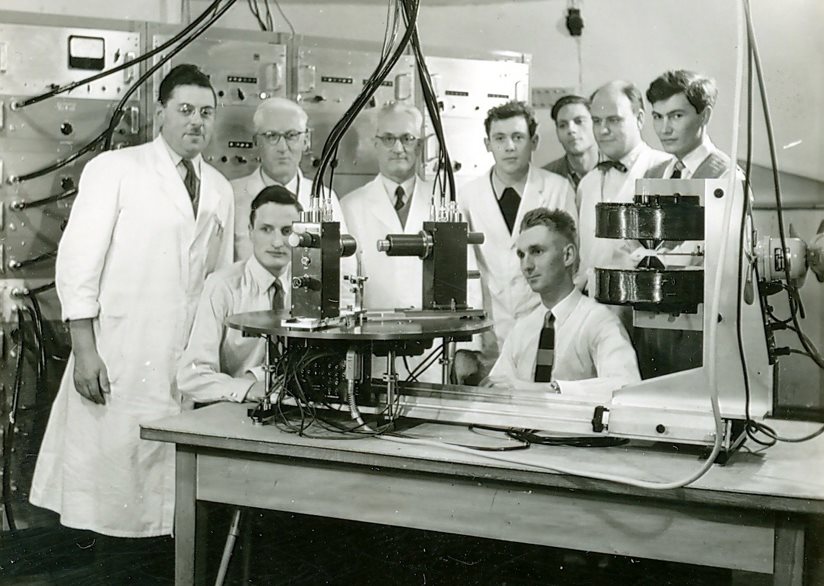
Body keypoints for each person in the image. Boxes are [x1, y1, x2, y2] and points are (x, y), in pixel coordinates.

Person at [30, 64, 234, 537]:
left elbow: (218, 280)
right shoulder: (116, 170)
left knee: (172, 490)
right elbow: (78, 264)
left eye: (206, 112)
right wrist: (85, 350)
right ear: (160, 113)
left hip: (183, 356)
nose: (196, 121)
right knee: (110, 486)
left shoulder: (220, 189)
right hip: (119, 350)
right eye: (185, 109)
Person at [342, 102, 481, 383]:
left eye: (407, 138)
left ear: (420, 146)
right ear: (375, 144)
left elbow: (469, 281)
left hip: (434, 352)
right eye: (388, 138)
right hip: (371, 351)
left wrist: (466, 349)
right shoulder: (351, 206)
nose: (398, 148)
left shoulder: (445, 205)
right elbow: (344, 288)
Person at [457, 101, 577, 373]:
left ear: (534, 142)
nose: (509, 146)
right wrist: (471, 342)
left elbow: (571, 263)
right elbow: (466, 272)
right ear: (487, 144)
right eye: (500, 138)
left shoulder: (557, 188)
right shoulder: (468, 196)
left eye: (518, 137)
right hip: (489, 328)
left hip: (546, 324)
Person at [486, 208, 640, 397]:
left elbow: (626, 384)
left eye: (537, 251)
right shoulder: (521, 330)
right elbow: (497, 387)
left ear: (567, 255)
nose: (527, 266)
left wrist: (550, 390)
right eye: (521, 255)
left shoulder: (599, 322)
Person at [177, 186, 300, 404]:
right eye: (266, 229)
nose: (277, 242)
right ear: (250, 232)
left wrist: (259, 377)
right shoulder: (222, 286)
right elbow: (192, 377)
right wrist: (248, 388)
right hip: (233, 406)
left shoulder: (308, 288)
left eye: (287, 231)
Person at [232, 97, 355, 307]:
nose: (282, 147)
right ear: (256, 142)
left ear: (306, 141)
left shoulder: (324, 198)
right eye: (271, 136)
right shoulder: (232, 195)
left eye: (291, 136)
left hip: (309, 321)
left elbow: (344, 273)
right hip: (245, 319)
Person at [576, 81, 673, 292]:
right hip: (593, 304)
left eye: (614, 120)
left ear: (639, 119)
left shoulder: (666, 171)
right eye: (596, 121)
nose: (603, 130)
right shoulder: (588, 183)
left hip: (643, 303)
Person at [645, 70, 732, 179]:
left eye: (677, 116)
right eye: (658, 117)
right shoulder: (652, 175)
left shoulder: (727, 177)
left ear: (705, 115)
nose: (664, 130)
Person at [542, 95, 599, 193]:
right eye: (562, 125)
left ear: (595, 124)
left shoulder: (619, 171)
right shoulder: (544, 179)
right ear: (557, 133)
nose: (571, 130)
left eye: (579, 121)